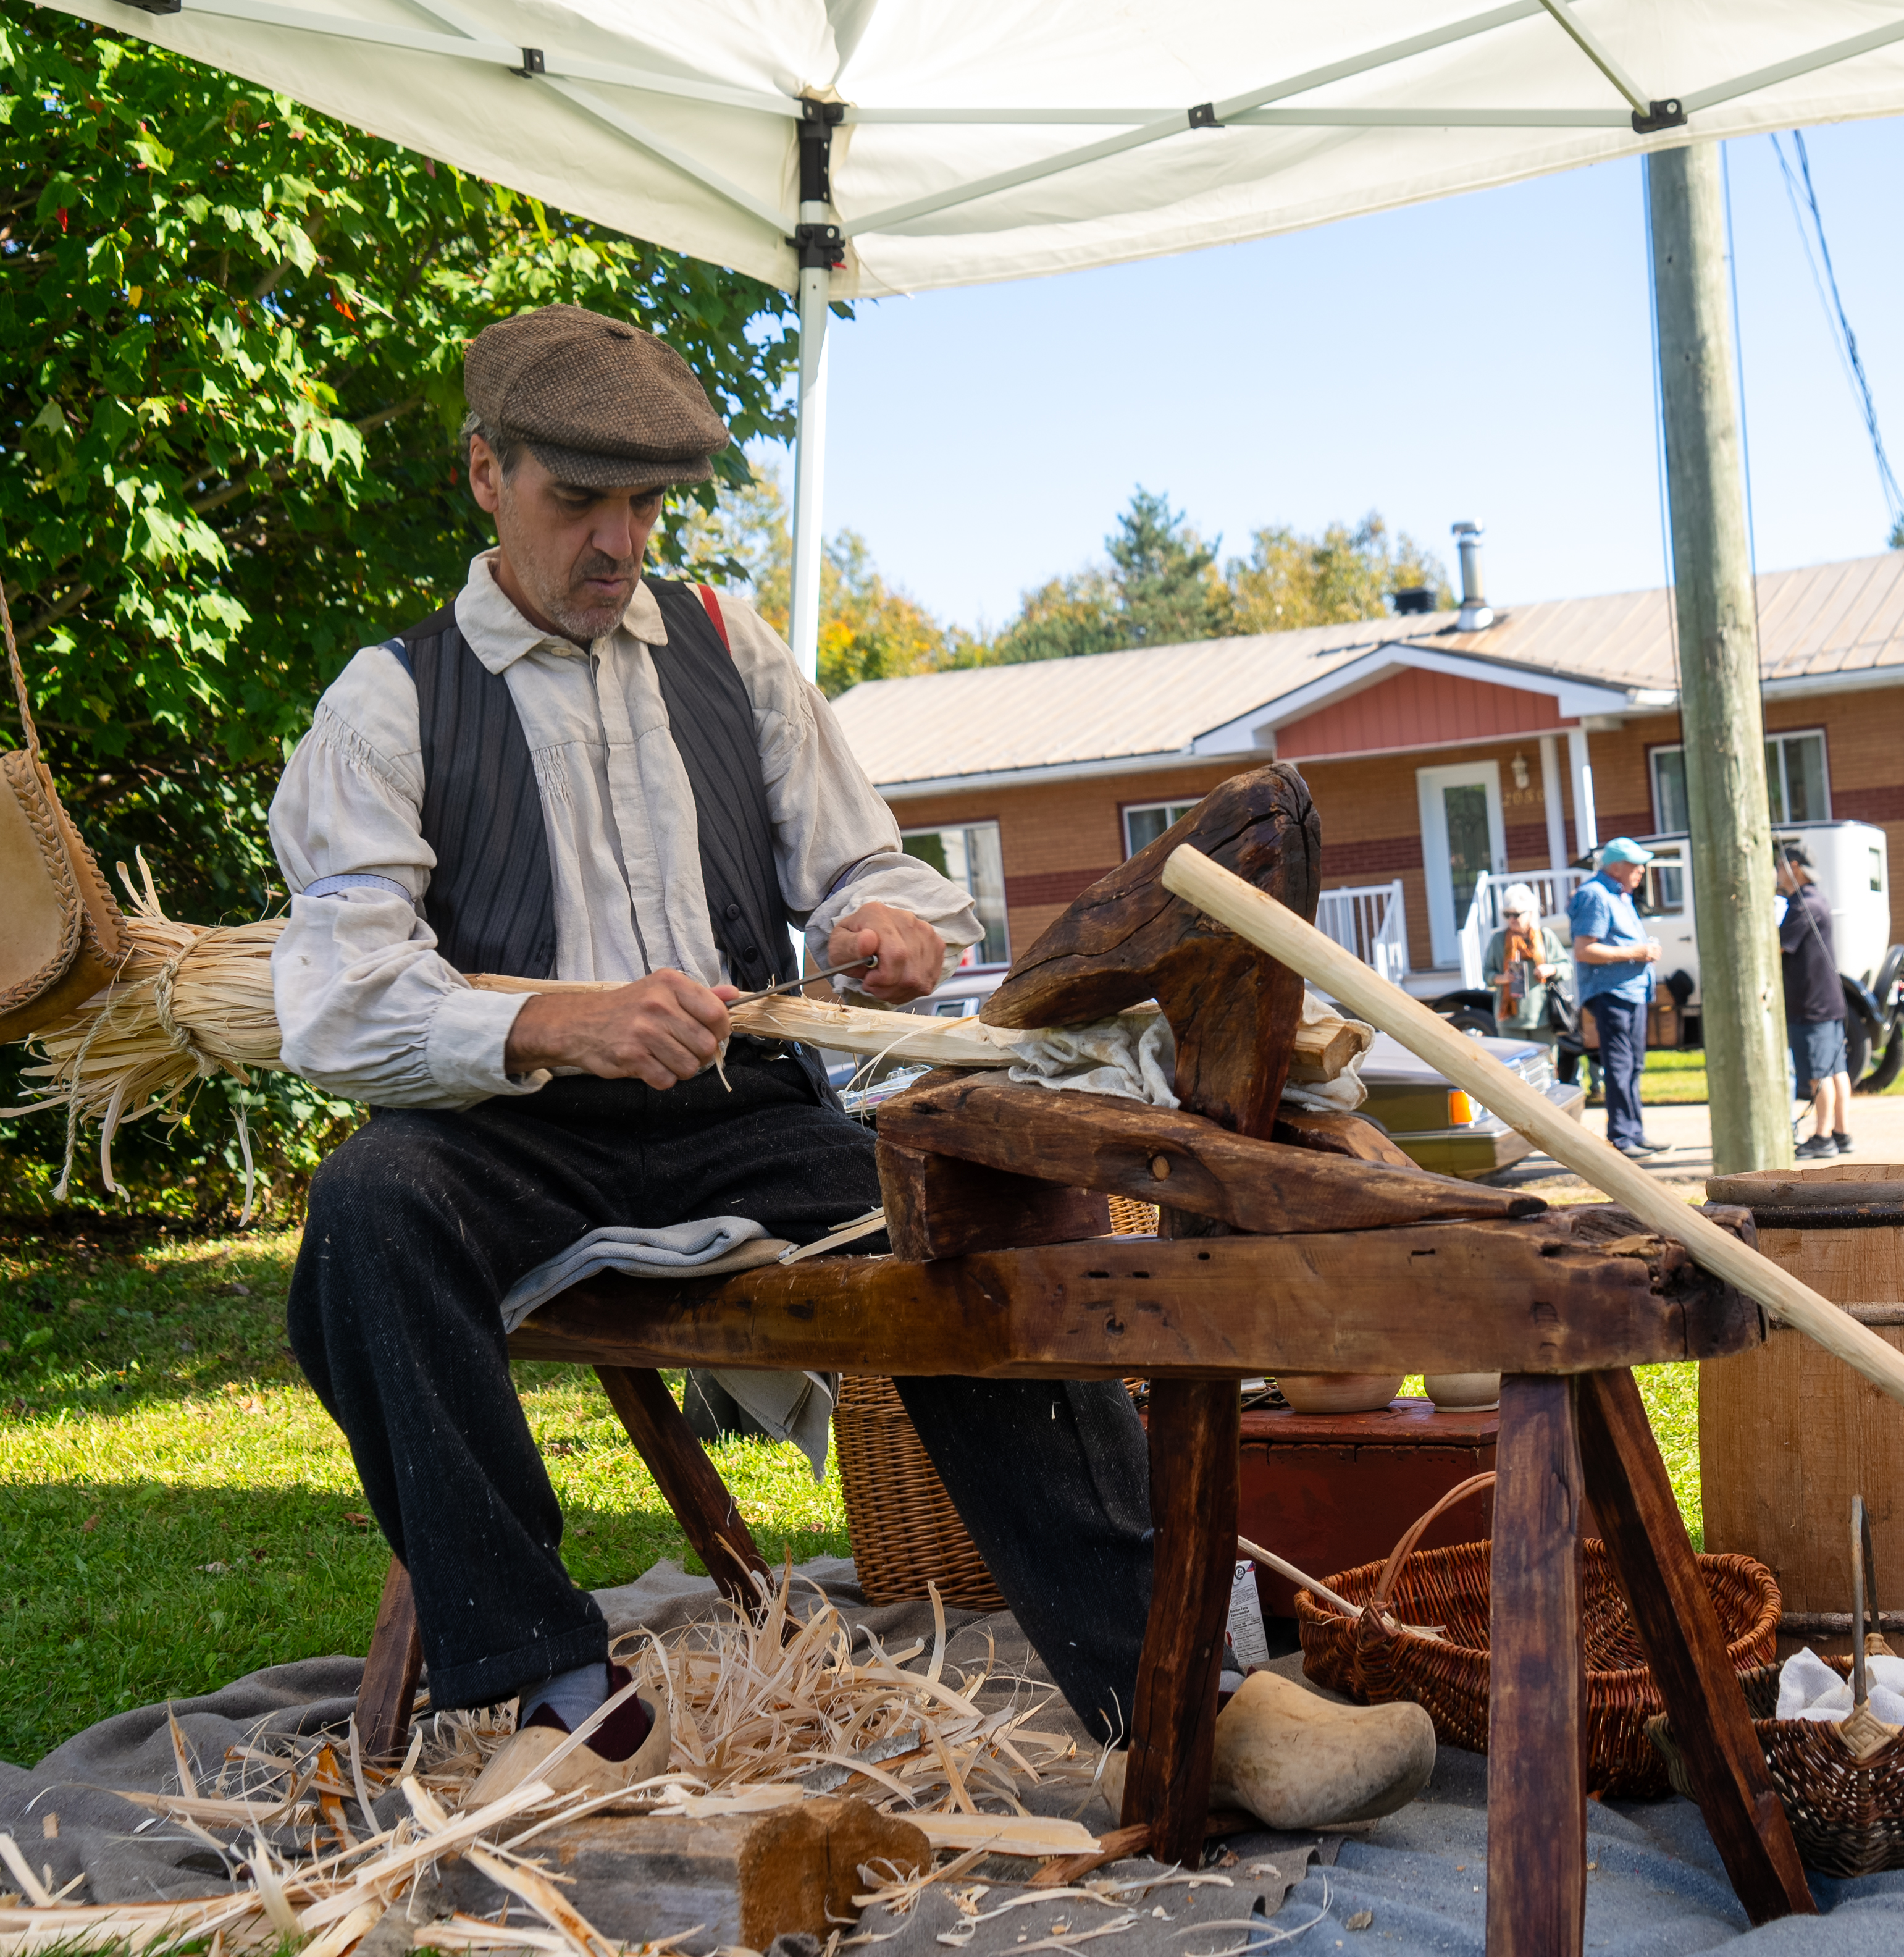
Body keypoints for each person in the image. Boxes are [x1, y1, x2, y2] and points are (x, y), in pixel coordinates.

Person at [270, 305, 1424, 1814]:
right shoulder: (391, 697)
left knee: (989, 1221)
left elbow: (865, 863)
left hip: (750, 1116)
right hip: (516, 1133)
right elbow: (338, 999)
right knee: (363, 1213)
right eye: (577, 502)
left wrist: (886, 919)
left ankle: (1182, 1695)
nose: (618, 542)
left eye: (646, 505)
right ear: (483, 473)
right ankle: (559, 1690)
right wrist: (560, 1018)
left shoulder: (721, 648)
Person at [1567, 838, 1661, 1161]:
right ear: (1616, 866)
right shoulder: (1594, 895)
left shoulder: (1619, 895)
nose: (1641, 871)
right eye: (1636, 865)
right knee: (1620, 1066)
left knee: (1634, 1064)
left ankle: (1635, 1132)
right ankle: (1621, 1136)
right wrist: (1638, 952)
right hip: (1611, 994)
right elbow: (1584, 950)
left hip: (1632, 992)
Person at [1776, 843, 1852, 1158]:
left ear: (1794, 867)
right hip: (1829, 1000)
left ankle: (1822, 1137)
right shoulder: (1817, 900)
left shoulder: (1801, 906)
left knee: (1818, 1074)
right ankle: (1841, 1132)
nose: (1777, 874)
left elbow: (1779, 947)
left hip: (1811, 1004)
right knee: (1837, 1070)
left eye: (1779, 867)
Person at [1493, 881, 1572, 1046]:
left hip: (1543, 1018)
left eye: (1517, 914)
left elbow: (1567, 967)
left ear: (1530, 913)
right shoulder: (1499, 940)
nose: (1512, 919)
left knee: (1546, 1068)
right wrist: (1503, 978)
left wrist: (1551, 969)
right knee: (1512, 1071)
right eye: (1507, 915)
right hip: (1510, 1021)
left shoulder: (1545, 936)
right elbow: (1487, 973)